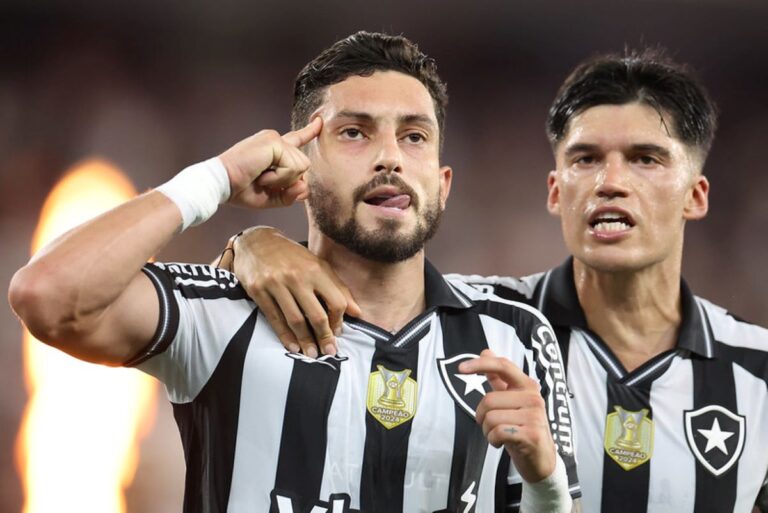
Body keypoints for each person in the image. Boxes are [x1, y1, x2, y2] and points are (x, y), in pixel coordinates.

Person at [9, 32, 580, 513]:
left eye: (414, 136)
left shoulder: (516, 336)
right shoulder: (224, 313)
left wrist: (548, 486)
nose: (390, 156)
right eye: (354, 132)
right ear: (301, 168)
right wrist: (216, 181)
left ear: (442, 183)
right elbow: (46, 294)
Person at [221, 49, 768, 513]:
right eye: (585, 159)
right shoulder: (482, 327)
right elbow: (360, 290)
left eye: (645, 159)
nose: (611, 183)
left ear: (696, 195)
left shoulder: (758, 373)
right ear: (555, 191)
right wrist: (250, 244)